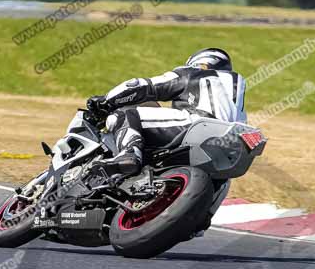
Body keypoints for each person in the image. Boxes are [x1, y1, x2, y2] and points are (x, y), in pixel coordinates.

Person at [86, 48, 247, 176]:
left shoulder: (193, 72)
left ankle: (129, 154)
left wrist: (105, 101)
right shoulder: (236, 87)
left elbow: (141, 86)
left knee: (127, 115)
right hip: (233, 143)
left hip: (200, 124)